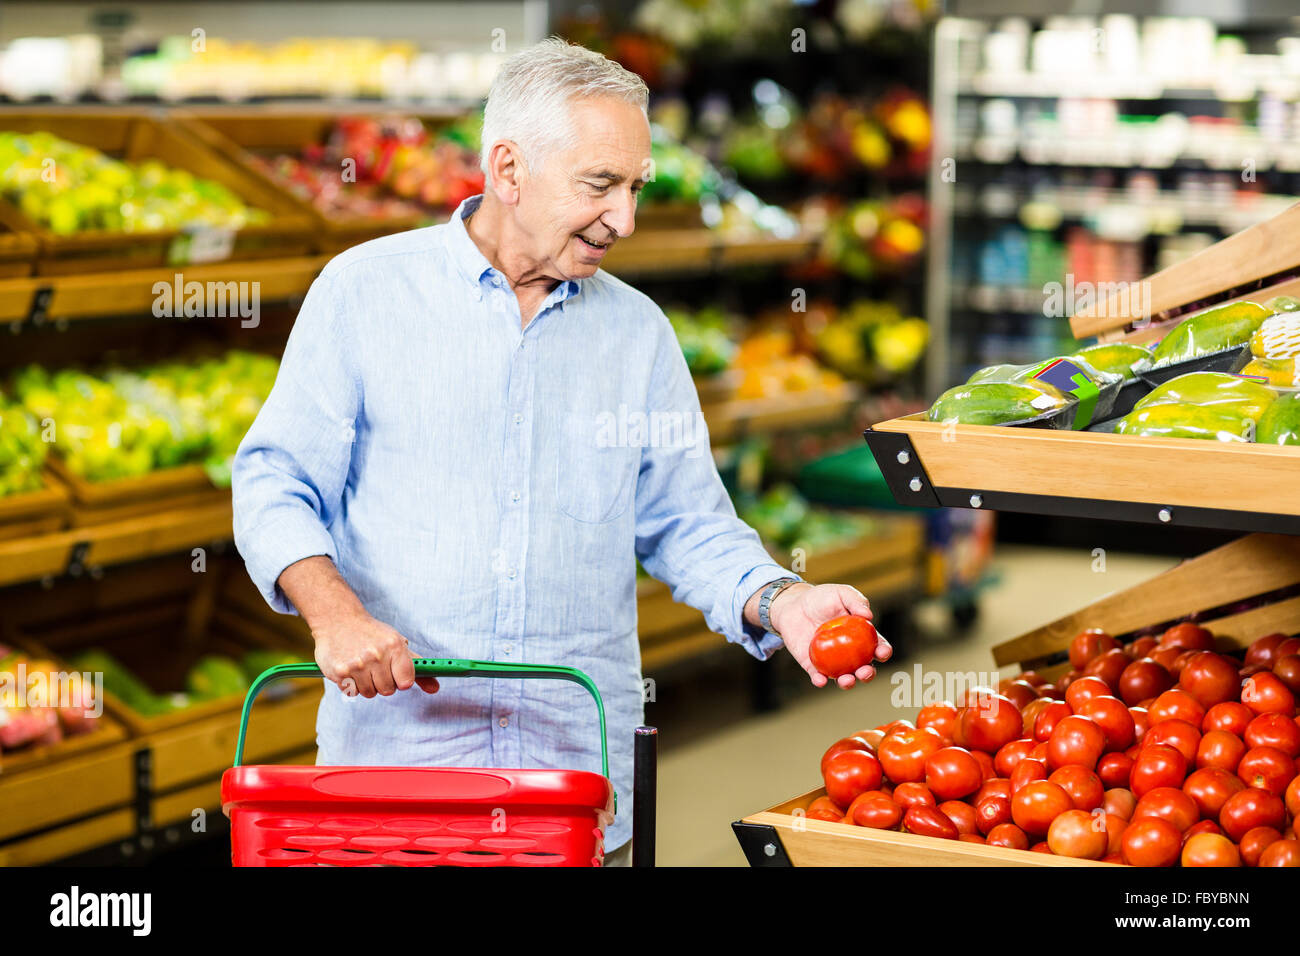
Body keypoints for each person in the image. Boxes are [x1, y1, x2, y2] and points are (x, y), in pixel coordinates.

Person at [232, 36, 889, 867]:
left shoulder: (638, 335)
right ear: (507, 171)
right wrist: (335, 614)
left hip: (575, 797)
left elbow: (687, 522)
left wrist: (779, 600)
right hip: (400, 788)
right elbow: (273, 479)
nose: (626, 218)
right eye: (600, 185)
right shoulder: (364, 294)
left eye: (635, 186)